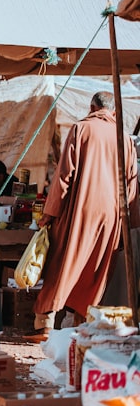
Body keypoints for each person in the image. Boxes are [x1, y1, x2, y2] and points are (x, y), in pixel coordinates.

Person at [28, 91, 139, 342]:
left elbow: (64, 176)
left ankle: (44, 324)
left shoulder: (82, 129)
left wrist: (50, 212)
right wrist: (130, 226)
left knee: (61, 263)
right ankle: (81, 325)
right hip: (111, 216)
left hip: (81, 209)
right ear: (113, 112)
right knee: (95, 271)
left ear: (92, 107)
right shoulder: (125, 139)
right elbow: (132, 189)